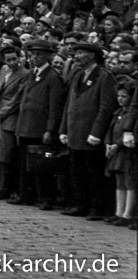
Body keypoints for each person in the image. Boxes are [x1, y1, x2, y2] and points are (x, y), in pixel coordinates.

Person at [59, 42, 118, 219]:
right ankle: (80, 204)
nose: (76, 56)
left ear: (92, 55)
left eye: (80, 52)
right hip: (75, 131)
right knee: (77, 172)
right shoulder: (77, 74)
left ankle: (96, 208)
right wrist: (64, 129)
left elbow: (105, 107)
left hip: (90, 133)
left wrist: (96, 132)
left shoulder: (104, 76)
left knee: (93, 174)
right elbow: (69, 104)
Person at [10, 40, 65, 209]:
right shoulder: (32, 74)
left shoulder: (53, 77)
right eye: (32, 54)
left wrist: (50, 129)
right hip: (26, 126)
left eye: (39, 54)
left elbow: (55, 106)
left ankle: (46, 198)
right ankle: (26, 195)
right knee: (25, 165)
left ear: (48, 56)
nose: (35, 58)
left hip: (40, 127)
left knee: (42, 166)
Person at [0, 46, 30, 200]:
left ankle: (4, 188)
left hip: (10, 116)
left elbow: (16, 100)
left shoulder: (25, 74)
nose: (12, 62)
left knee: (5, 155)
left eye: (15, 59)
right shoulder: (4, 70)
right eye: (9, 60)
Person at [105, 83, 136, 227]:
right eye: (119, 96)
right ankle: (118, 212)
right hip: (115, 152)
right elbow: (110, 130)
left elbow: (129, 132)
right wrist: (108, 144)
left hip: (125, 151)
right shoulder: (118, 113)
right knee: (119, 182)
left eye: (124, 96)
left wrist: (117, 145)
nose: (120, 99)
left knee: (130, 182)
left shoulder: (131, 114)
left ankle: (127, 214)